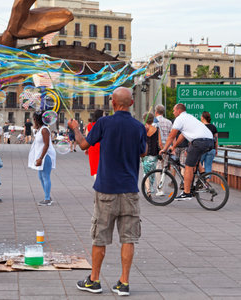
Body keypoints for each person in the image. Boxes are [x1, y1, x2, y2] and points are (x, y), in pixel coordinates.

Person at [69, 87, 146, 296]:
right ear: (131, 104)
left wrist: (76, 128)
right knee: (128, 238)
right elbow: (144, 151)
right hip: (129, 190)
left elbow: (84, 145)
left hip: (106, 190)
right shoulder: (138, 127)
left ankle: (94, 280)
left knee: (100, 236)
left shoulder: (104, 123)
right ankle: (124, 283)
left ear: (112, 103)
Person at [160, 104, 214, 200]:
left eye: (173, 110)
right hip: (210, 141)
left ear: (178, 111)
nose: (173, 112)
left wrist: (164, 149)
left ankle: (187, 192)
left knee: (188, 166)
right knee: (193, 160)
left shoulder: (180, 119)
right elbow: (182, 136)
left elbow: (171, 136)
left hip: (199, 142)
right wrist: (174, 146)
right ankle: (201, 179)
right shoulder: (189, 117)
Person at [28, 111, 56, 206]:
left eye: (34, 119)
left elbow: (47, 145)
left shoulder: (44, 130)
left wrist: (41, 158)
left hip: (46, 156)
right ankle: (47, 196)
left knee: (45, 176)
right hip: (41, 156)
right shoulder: (40, 129)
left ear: (37, 120)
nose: (33, 121)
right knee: (41, 177)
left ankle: (47, 199)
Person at [142, 112, 163, 197]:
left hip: (145, 154)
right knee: (152, 172)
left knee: (145, 172)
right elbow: (160, 143)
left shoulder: (143, 129)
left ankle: (148, 190)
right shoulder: (156, 129)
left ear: (144, 120)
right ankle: (150, 186)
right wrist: (162, 150)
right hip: (154, 154)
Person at [86, 110, 104, 180]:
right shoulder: (103, 125)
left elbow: (87, 137)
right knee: (102, 167)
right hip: (102, 147)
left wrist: (86, 148)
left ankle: (97, 184)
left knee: (95, 169)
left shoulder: (89, 125)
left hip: (92, 147)